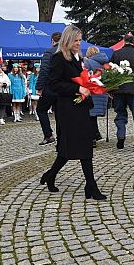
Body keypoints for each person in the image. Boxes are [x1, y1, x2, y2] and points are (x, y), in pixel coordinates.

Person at [40, 25, 106, 200]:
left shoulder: (78, 58)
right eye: (76, 40)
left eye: (80, 40)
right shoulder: (59, 58)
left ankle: (86, 184)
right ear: (67, 40)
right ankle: (87, 185)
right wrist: (78, 88)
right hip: (68, 109)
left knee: (80, 146)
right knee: (70, 147)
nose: (79, 43)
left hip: (80, 107)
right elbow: (54, 84)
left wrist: (91, 86)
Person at [111, 32, 134, 151]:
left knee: (120, 115)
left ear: (123, 41)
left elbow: (111, 73)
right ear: (133, 42)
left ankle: (121, 134)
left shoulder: (116, 54)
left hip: (119, 90)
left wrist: (110, 90)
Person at [36, 32, 61, 145]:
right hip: (63, 88)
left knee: (41, 110)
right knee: (60, 112)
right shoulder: (68, 52)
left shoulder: (49, 52)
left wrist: (39, 87)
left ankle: (48, 135)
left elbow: (44, 71)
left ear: (52, 41)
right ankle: (62, 136)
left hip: (50, 88)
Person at [84, 46, 109, 146]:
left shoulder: (88, 63)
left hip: (93, 92)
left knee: (90, 115)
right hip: (102, 92)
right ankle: (96, 134)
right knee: (93, 116)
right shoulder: (105, 63)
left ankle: (92, 138)